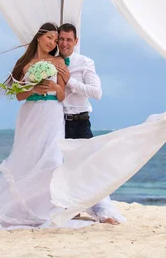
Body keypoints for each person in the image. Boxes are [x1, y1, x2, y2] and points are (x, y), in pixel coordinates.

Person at [0, 22, 87, 229]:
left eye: (56, 39)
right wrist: (33, 86)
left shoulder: (59, 61)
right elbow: (19, 96)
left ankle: (47, 209)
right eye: (50, 38)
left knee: (52, 159)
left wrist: (54, 86)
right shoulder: (25, 63)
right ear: (39, 37)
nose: (53, 42)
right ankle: (21, 208)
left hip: (52, 113)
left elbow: (62, 95)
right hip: (30, 113)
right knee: (26, 157)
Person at [56, 23, 126, 225]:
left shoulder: (85, 62)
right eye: (61, 39)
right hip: (58, 123)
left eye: (69, 39)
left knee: (88, 168)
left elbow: (97, 92)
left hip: (80, 122)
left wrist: (70, 82)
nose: (65, 43)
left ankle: (104, 212)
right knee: (61, 168)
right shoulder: (50, 61)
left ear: (76, 41)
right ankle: (70, 208)